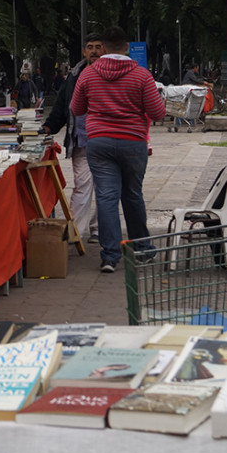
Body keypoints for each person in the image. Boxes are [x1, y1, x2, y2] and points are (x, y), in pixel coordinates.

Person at [70, 26, 165, 273]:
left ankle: (109, 256)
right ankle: (142, 249)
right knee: (133, 194)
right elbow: (157, 113)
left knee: (106, 197)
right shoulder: (142, 75)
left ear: (103, 48)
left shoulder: (88, 75)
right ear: (126, 47)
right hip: (133, 142)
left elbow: (77, 108)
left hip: (99, 142)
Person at [42, 33, 103, 244]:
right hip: (81, 140)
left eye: (98, 46)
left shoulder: (111, 72)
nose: (94, 51)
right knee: (82, 186)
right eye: (90, 47)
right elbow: (62, 104)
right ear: (84, 51)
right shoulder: (74, 74)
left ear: (105, 50)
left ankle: (99, 229)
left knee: (106, 188)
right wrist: (49, 126)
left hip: (106, 140)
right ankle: (76, 232)